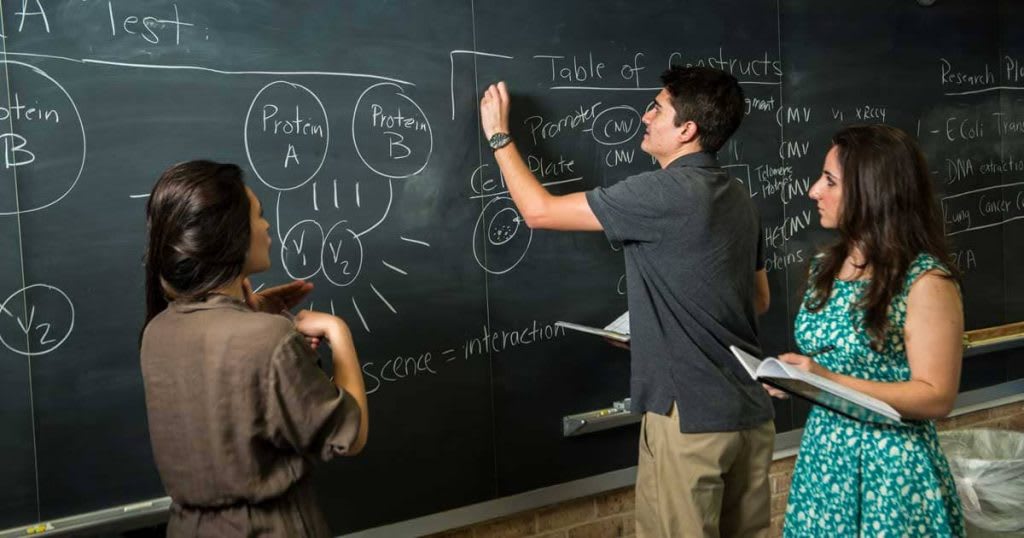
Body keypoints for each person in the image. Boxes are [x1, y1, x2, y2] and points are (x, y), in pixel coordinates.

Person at [480, 66, 774, 537]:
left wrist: (498, 136)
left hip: (689, 421)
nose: (644, 116)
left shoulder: (662, 191)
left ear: (687, 130)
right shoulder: (739, 196)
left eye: (657, 108)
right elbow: (756, 299)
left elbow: (538, 211)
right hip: (750, 415)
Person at [140, 160, 368, 537]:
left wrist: (251, 314)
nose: (267, 226)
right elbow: (350, 436)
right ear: (232, 235)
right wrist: (337, 332)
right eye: (258, 215)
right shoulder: (268, 339)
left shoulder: (156, 331)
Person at [772, 125, 965, 536]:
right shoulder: (823, 267)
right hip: (825, 460)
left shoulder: (926, 281)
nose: (813, 191)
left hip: (891, 471)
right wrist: (794, 380)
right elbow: (822, 364)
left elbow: (936, 396)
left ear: (871, 190)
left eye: (829, 181)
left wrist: (824, 380)